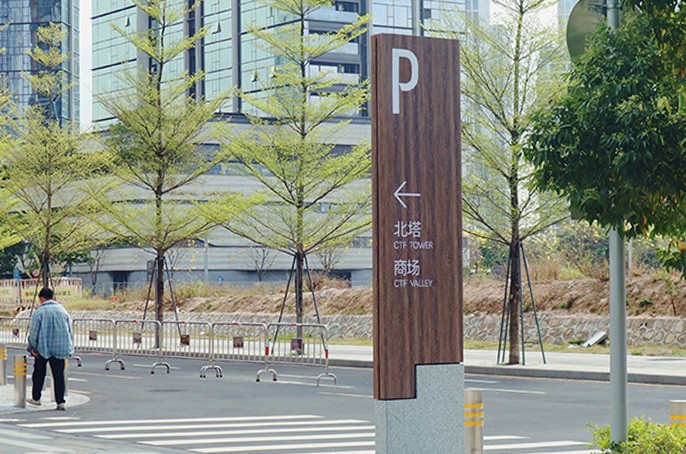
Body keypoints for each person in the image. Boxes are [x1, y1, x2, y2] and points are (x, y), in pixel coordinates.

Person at [27, 288, 73, 410]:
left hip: (43, 348)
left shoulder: (39, 312)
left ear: (42, 298)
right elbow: (70, 331)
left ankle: (36, 398)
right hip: (60, 348)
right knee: (59, 376)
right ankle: (60, 402)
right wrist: (69, 346)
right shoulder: (63, 311)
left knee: (39, 373)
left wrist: (32, 347)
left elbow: (34, 333)